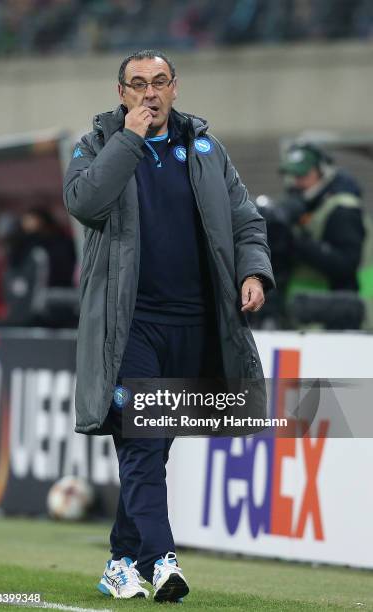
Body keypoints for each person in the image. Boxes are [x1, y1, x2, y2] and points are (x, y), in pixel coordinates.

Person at [63, 49, 274, 602]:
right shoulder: (96, 146)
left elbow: (245, 219)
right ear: (121, 92)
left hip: (195, 326)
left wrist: (253, 272)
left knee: (155, 448)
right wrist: (128, 140)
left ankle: (119, 561)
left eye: (159, 83)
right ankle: (163, 560)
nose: (149, 93)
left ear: (176, 88)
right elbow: (85, 202)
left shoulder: (206, 151)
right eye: (138, 84)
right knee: (142, 439)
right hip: (128, 325)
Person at [278, 142, 370, 329]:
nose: (296, 182)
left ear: (323, 172)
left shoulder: (342, 209)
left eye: (303, 175)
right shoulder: (310, 206)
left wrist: (297, 242)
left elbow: (345, 264)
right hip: (312, 315)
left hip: (343, 315)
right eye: (293, 175)